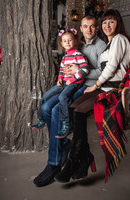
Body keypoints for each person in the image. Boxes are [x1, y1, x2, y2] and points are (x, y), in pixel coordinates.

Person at [55, 9, 130, 183]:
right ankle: (84, 156)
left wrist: (95, 85)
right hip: (103, 87)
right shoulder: (108, 45)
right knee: (73, 107)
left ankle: (74, 161)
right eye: (105, 22)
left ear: (118, 23)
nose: (107, 25)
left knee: (80, 110)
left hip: (112, 89)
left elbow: (110, 68)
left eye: (111, 21)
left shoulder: (119, 39)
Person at [33, 15, 106, 187]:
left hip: (88, 86)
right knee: (45, 107)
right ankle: (64, 143)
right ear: (80, 29)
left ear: (97, 28)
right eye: (85, 26)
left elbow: (103, 71)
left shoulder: (101, 46)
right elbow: (70, 60)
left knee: (57, 110)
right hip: (71, 83)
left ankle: (54, 163)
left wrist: (79, 71)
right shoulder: (78, 44)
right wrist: (66, 73)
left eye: (92, 26)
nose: (88, 29)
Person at [32, 28, 89, 139]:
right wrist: (59, 78)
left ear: (75, 41)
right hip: (63, 82)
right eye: (65, 41)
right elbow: (62, 70)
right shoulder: (65, 57)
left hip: (75, 83)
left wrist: (72, 80)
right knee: (46, 95)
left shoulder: (78, 55)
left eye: (70, 40)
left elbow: (85, 69)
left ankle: (66, 124)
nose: (67, 43)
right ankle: (42, 119)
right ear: (61, 43)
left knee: (63, 97)